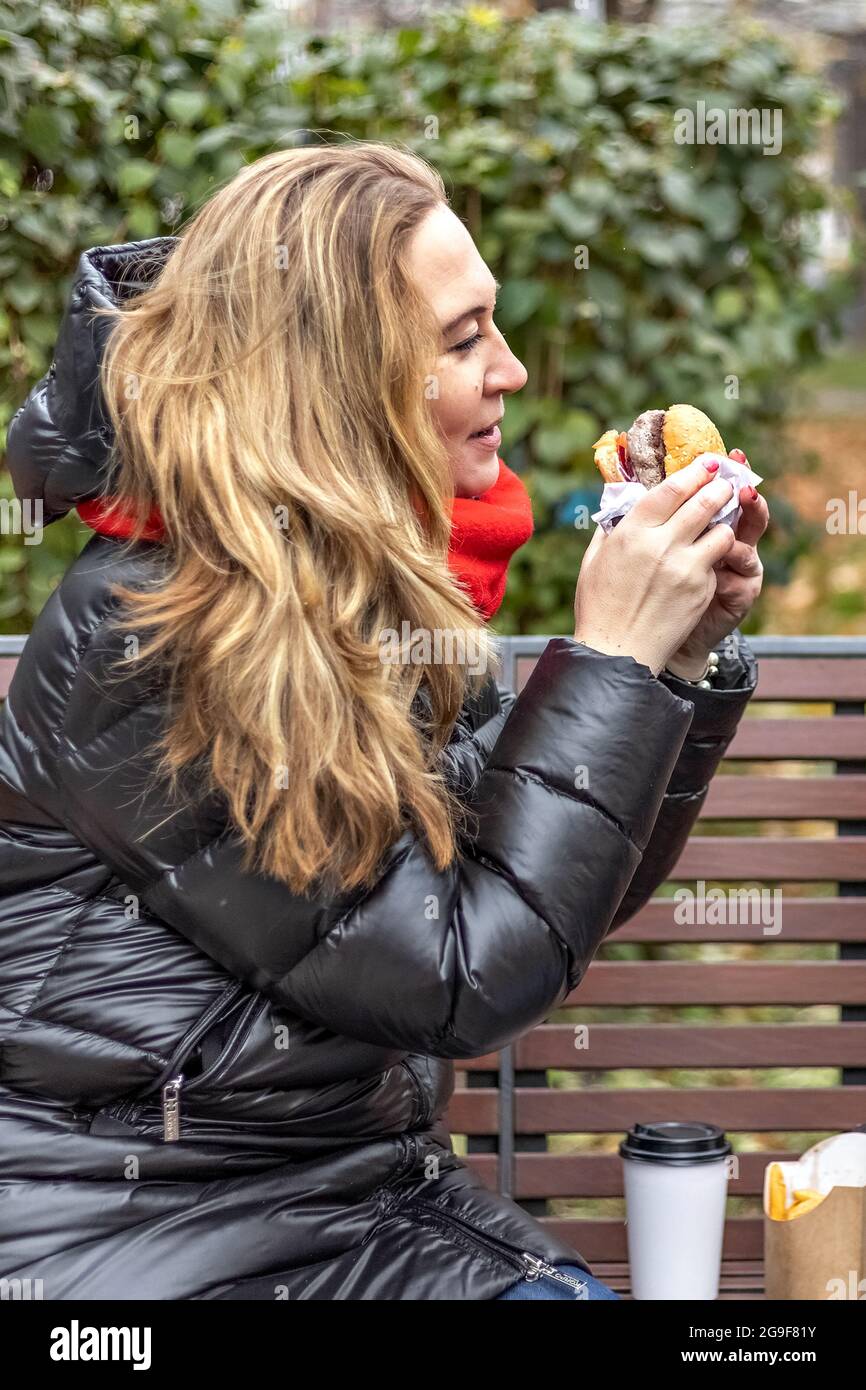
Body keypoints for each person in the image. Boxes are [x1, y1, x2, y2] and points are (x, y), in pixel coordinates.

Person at [0, 142, 767, 1300]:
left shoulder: (372, 591)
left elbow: (549, 888)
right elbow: (463, 972)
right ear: (336, 375)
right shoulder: (153, 632)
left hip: (355, 1204)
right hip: (149, 1244)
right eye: (461, 341)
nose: (506, 370)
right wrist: (607, 660)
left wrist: (671, 664)